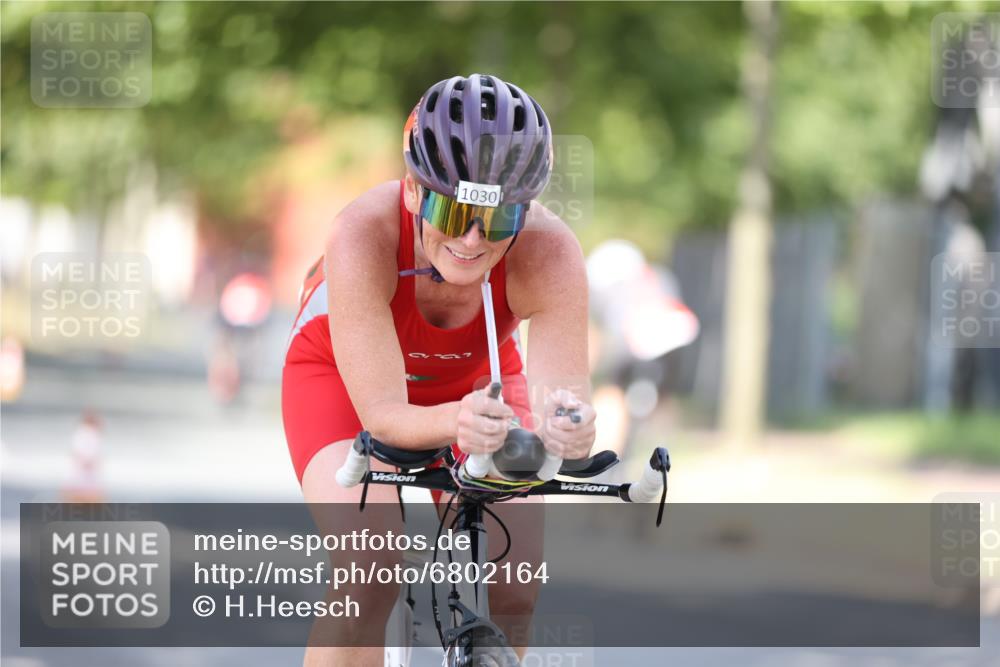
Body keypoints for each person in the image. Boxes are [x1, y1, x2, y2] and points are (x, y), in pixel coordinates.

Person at [281, 73, 595, 666]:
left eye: (499, 220)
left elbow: (563, 399)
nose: (474, 240)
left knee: (515, 591)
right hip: (344, 380)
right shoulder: (362, 232)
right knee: (368, 570)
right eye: (452, 214)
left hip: (478, 387)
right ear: (410, 191)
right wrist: (455, 422)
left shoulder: (550, 253)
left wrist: (570, 426)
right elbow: (384, 418)